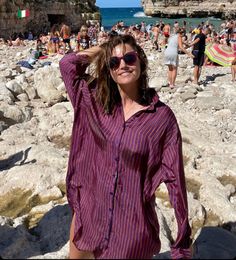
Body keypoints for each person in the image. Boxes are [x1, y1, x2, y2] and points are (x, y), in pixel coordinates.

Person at [59, 34, 192, 259]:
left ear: (141, 60)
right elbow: (67, 64)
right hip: (90, 214)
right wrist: (104, 49)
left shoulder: (161, 119)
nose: (122, 65)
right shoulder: (94, 102)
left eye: (129, 58)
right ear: (109, 70)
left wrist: (182, 240)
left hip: (130, 227)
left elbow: (175, 179)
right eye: (114, 62)